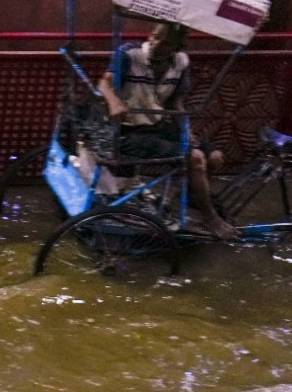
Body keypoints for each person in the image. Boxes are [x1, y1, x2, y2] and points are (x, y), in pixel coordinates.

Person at [97, 22, 240, 240]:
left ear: (177, 47)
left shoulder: (181, 63)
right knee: (196, 158)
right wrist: (115, 102)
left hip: (157, 127)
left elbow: (176, 103)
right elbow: (104, 84)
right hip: (127, 133)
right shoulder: (129, 54)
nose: (156, 44)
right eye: (154, 37)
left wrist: (186, 131)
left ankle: (188, 197)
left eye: (165, 43)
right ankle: (210, 216)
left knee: (215, 157)